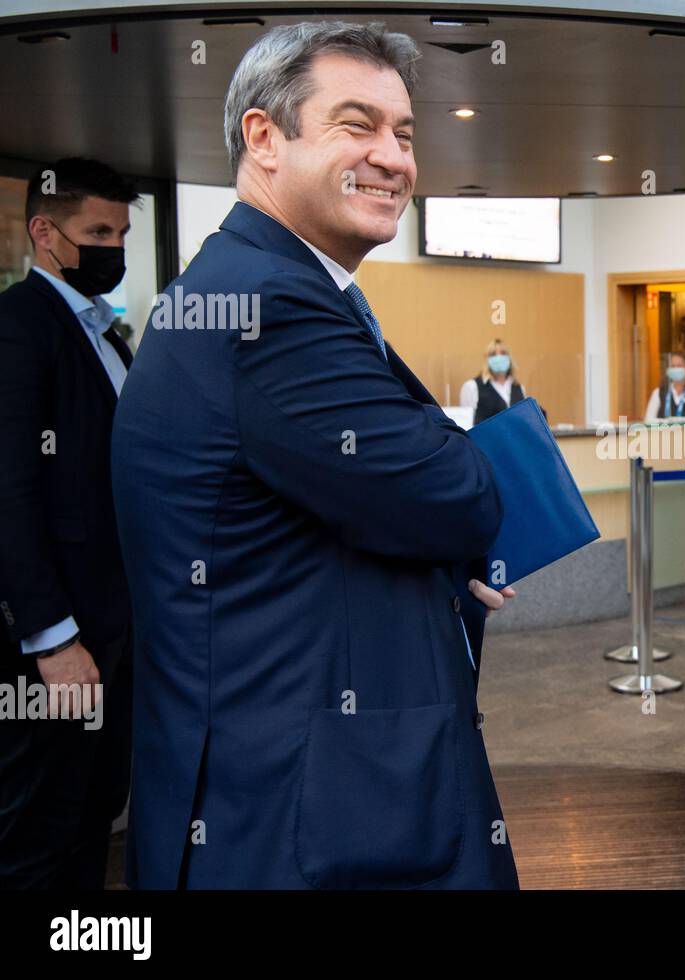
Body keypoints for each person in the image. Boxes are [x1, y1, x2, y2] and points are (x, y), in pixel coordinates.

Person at [111, 21, 518, 889]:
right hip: (306, 824)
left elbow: (336, 513)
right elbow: (458, 493)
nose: (393, 157)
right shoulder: (268, 307)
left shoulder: (255, 287)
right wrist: (451, 506)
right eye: (356, 124)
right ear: (264, 137)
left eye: (404, 134)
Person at [0, 158, 138, 889]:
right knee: (36, 830)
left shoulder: (106, 332)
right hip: (60, 645)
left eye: (120, 232)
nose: (113, 248)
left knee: (92, 812)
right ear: (44, 233)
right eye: (97, 232)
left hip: (115, 632)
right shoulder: (21, 328)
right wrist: (51, 640)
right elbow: (9, 492)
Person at [459, 338, 525, 425]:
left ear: (509, 358)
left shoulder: (519, 388)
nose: (499, 357)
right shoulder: (472, 387)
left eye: (503, 353)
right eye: (493, 354)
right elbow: (466, 424)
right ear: (487, 359)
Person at [644, 350, 685, 420]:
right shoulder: (658, 392)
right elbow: (648, 420)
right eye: (672, 366)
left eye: (679, 366)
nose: (675, 369)